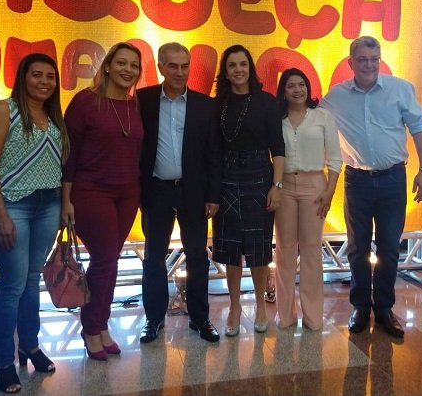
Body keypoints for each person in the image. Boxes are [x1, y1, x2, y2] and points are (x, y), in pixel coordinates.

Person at [322, 36, 422, 338]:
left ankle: (384, 308)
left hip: (393, 179)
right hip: (356, 180)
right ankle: (360, 306)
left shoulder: (400, 89)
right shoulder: (337, 96)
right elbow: (310, 116)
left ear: (379, 60)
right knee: (357, 247)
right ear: (351, 62)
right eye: (362, 59)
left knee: (389, 247)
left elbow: (419, 129)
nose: (369, 65)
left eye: (374, 59)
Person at [0, 53, 69, 393]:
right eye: (36, 74)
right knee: (12, 285)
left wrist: (63, 204)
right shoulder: (5, 110)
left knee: (32, 280)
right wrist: (1, 214)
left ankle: (30, 346)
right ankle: (4, 361)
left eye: (50, 76)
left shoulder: (54, 115)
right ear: (23, 77)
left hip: (48, 205)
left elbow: (60, 166)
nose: (44, 81)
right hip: (12, 205)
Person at [61, 42, 144, 360]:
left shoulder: (135, 105)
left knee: (110, 261)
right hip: (91, 192)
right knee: (105, 260)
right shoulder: (85, 102)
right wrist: (65, 199)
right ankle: (91, 328)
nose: (128, 70)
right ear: (107, 66)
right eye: (121, 63)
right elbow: (68, 155)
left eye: (134, 65)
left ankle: (101, 324)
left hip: (128, 193)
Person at [137, 42, 222, 344]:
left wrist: (213, 194)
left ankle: (200, 318)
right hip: (157, 190)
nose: (179, 72)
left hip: (194, 191)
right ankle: (154, 318)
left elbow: (214, 153)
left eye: (185, 66)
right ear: (161, 67)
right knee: (154, 257)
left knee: (198, 256)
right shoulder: (143, 100)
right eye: (172, 66)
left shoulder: (205, 105)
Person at [212, 44, 285, 336]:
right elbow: (213, 151)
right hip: (226, 177)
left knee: (258, 247)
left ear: (250, 68)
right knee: (230, 247)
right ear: (225, 71)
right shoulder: (217, 104)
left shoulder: (266, 102)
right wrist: (212, 191)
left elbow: (277, 147)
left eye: (243, 64)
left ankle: (260, 305)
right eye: (232, 65)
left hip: (259, 176)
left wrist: (276, 186)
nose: (238, 70)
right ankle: (234, 306)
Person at [274, 68, 342, 330]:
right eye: (291, 85)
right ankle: (285, 315)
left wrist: (330, 191)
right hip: (284, 185)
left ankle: (313, 316)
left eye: (301, 84)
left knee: (312, 250)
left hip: (315, 185)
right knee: (285, 250)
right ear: (283, 91)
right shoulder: (276, 118)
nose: (297, 90)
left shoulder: (322, 117)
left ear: (308, 88)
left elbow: (335, 159)